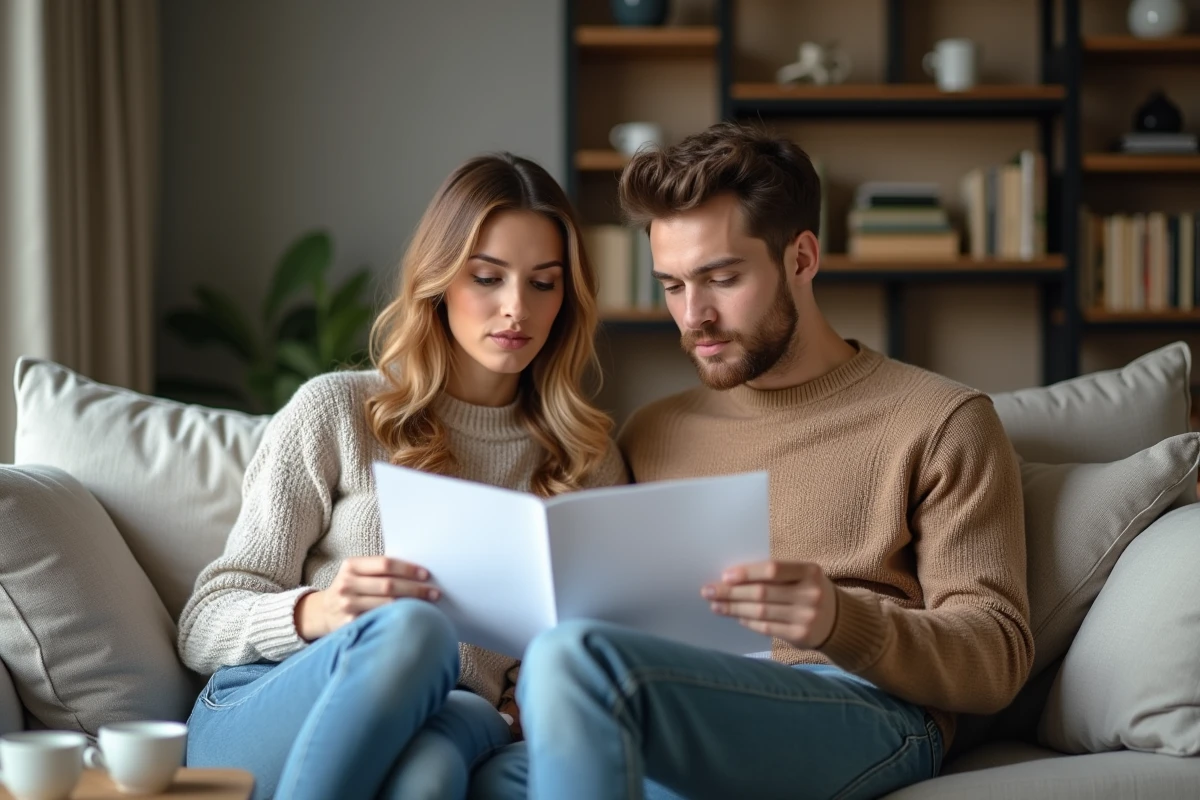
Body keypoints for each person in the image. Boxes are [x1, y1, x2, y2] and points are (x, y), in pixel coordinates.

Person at [470, 122, 1034, 800]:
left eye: (722, 278)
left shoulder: (942, 420)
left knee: (572, 660)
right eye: (672, 285)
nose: (693, 316)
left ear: (801, 258)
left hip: (864, 706)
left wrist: (838, 620)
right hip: (679, 707)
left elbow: (997, 656)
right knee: (482, 774)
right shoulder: (652, 431)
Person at [177, 153, 628, 800]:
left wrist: (524, 701)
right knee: (417, 631)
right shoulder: (337, 410)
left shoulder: (586, 459)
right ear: (439, 281)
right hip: (272, 707)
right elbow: (203, 625)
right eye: (487, 277)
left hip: (453, 719)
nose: (516, 308)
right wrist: (321, 611)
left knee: (431, 775)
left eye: (543, 283)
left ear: (567, 297)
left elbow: (581, 648)